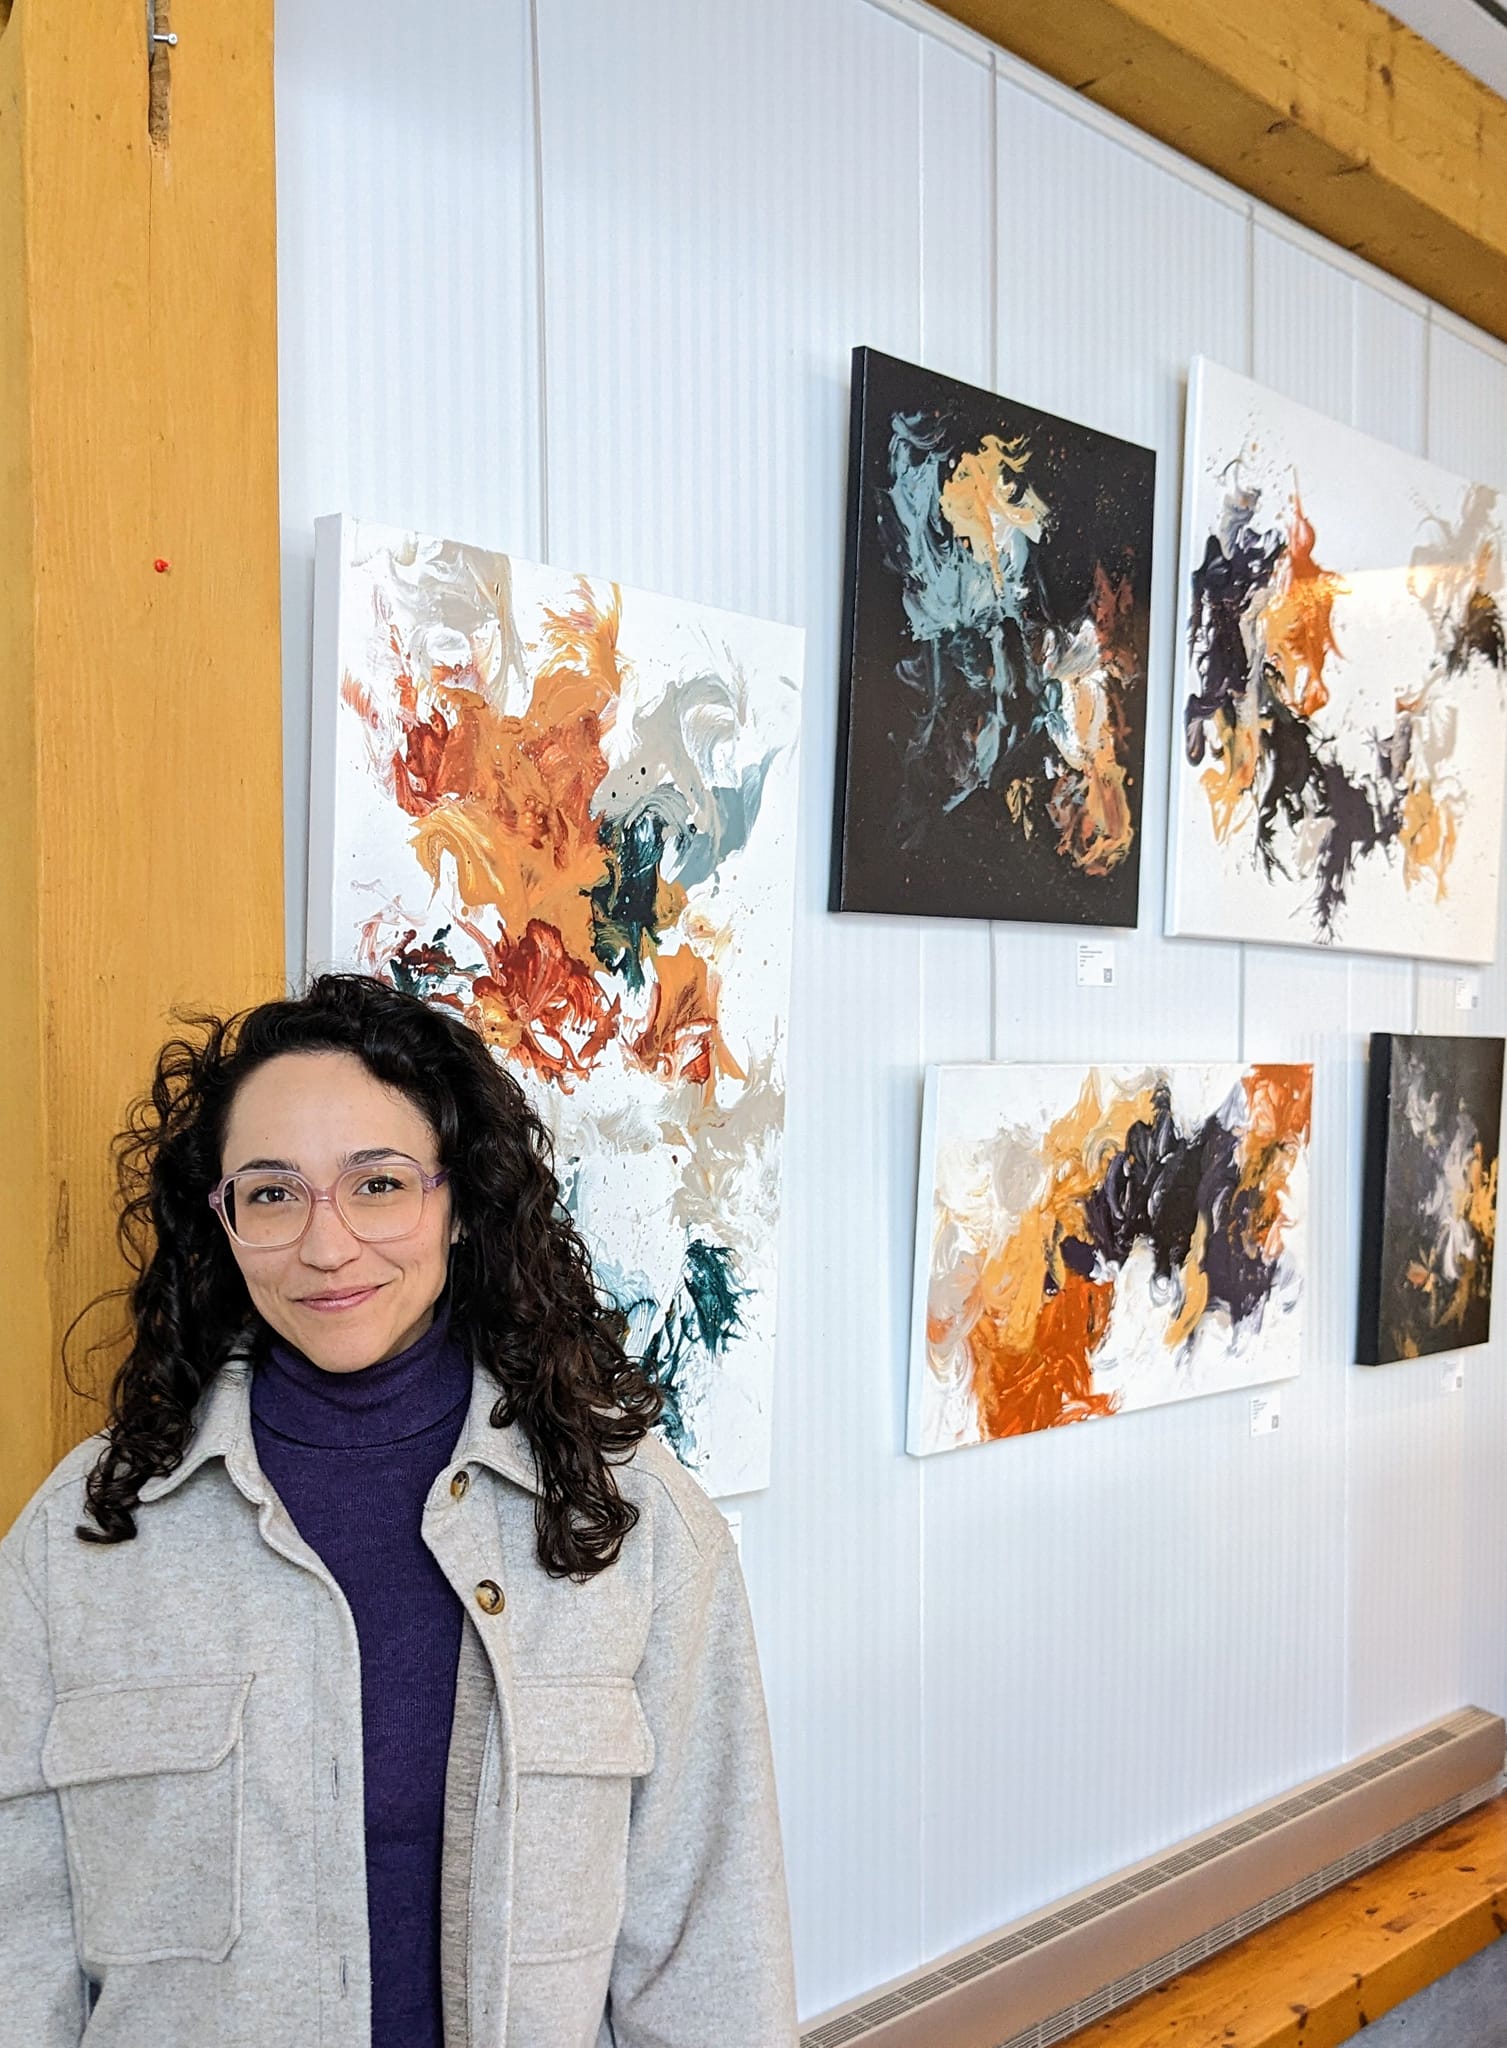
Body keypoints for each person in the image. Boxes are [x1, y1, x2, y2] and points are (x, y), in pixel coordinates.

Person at [0, 973, 798, 2047]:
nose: (326, 1246)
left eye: (377, 1184)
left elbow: (713, 1959)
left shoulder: (632, 1521)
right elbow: (20, 1952)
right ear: (221, 1220)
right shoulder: (80, 1536)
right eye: (272, 1192)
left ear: (459, 1200)